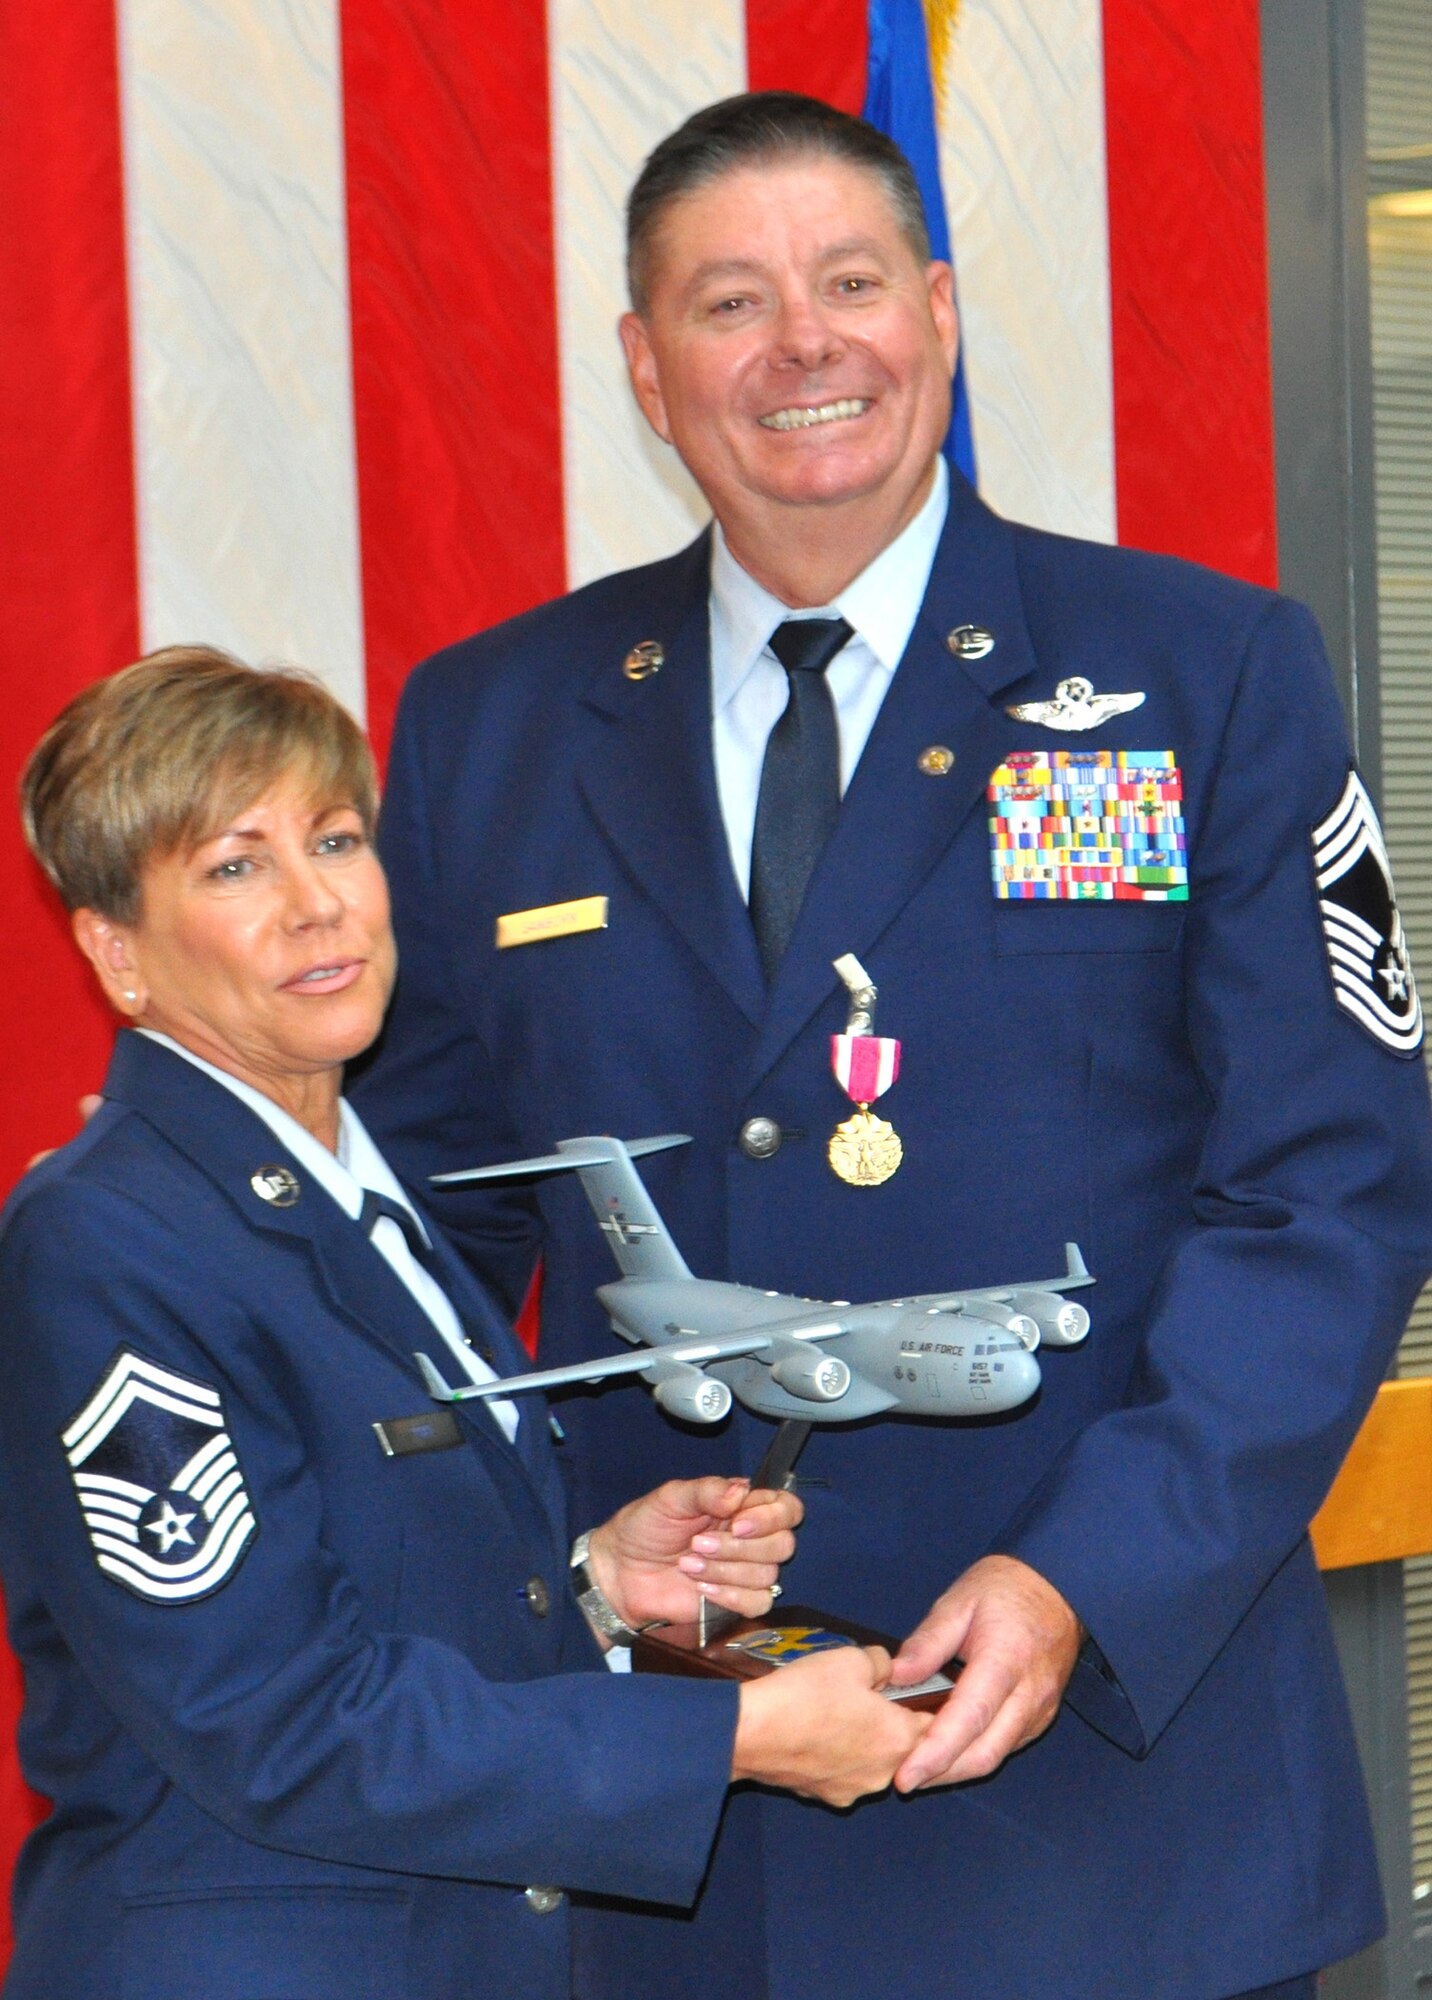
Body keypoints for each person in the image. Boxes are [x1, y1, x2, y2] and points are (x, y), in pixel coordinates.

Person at [351, 88, 1432, 2000]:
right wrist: (535, 1568)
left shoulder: (1203, 675)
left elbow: (1331, 1190)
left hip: (1115, 1807)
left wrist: (1092, 1578)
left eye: (851, 283)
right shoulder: (488, 726)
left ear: (937, 309)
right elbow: (414, 1243)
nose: (803, 347)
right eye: (729, 302)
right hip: (674, 1828)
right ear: (643, 364)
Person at [0, 646, 930, 2000]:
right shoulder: (113, 1240)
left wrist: (601, 1588)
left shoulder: (359, 1191)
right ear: (117, 954)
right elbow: (278, 1721)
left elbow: (363, 1576)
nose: (319, 906)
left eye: (336, 840)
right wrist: (730, 1739)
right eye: (235, 866)